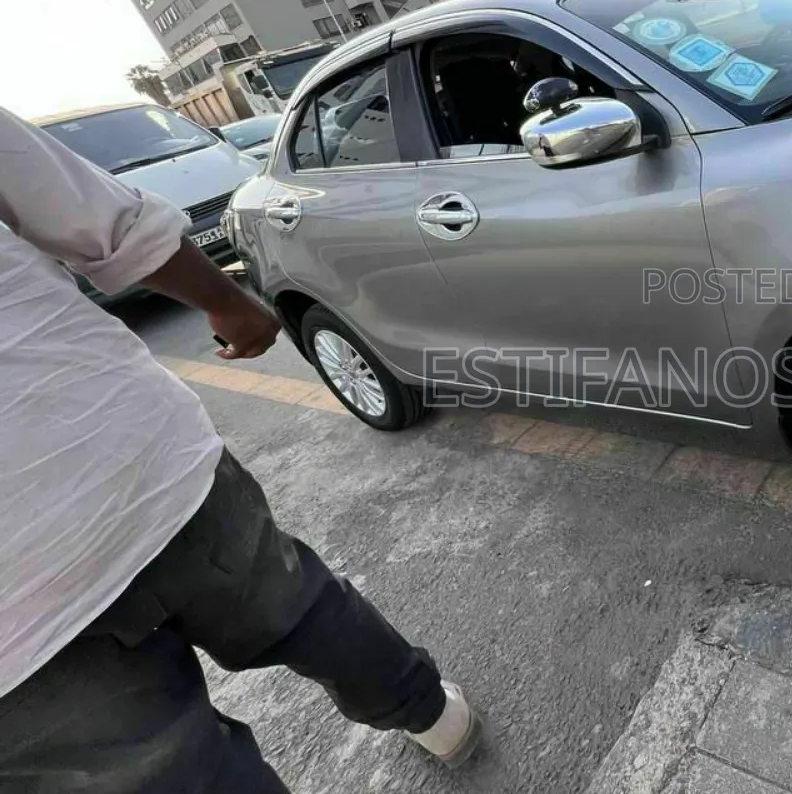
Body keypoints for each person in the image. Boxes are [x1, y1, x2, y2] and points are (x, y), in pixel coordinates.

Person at [0, 104, 480, 792]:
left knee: (177, 778)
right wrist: (228, 301)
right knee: (303, 609)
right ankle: (435, 719)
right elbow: (108, 220)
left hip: (17, 628)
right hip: (129, 455)